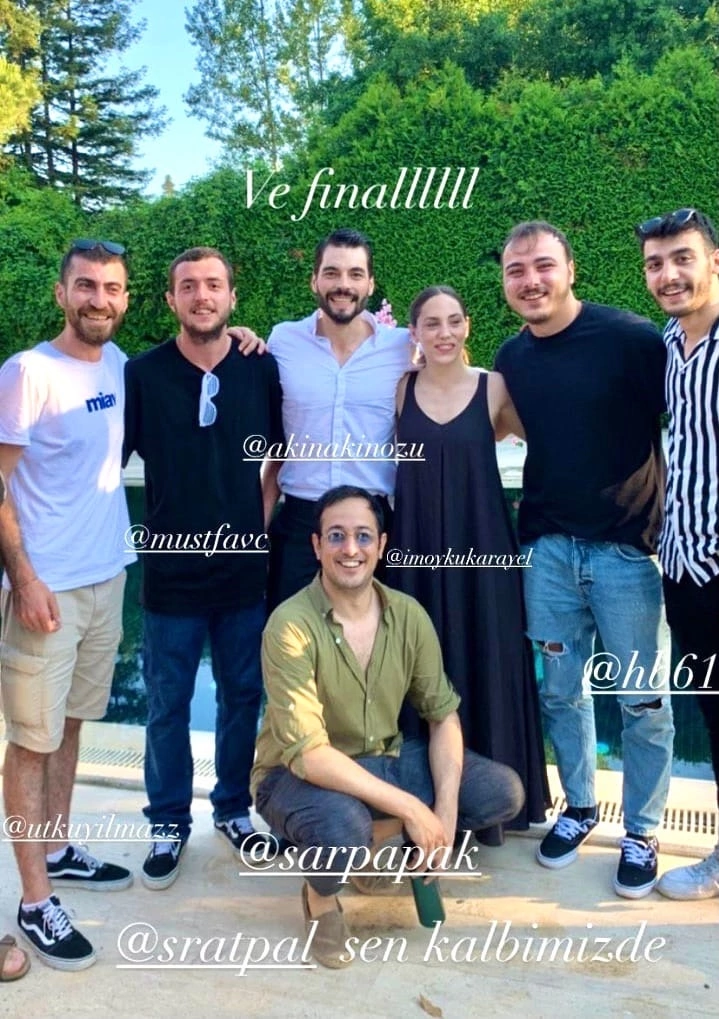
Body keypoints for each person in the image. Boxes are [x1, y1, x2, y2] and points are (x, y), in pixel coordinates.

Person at [252, 485, 525, 969]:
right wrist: (412, 809)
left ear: (381, 545)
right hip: (294, 776)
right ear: (316, 546)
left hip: (384, 759)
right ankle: (320, 897)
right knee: (341, 828)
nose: (350, 549)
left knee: (501, 792)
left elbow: (442, 715)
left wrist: (443, 810)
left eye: (363, 535)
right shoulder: (289, 625)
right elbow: (310, 755)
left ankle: (378, 841)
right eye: (336, 536)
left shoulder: (408, 615)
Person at [494, 220, 675, 898]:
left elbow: (689, 417)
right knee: (561, 692)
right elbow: (502, 424)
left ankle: (643, 829)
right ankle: (578, 806)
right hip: (547, 553)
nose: (531, 280)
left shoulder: (631, 339)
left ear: (570, 269)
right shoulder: (511, 358)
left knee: (643, 700)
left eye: (543, 265)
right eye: (517, 270)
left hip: (628, 552)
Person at [123, 246, 283, 890]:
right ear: (171, 300)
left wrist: (257, 527)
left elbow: (278, 457)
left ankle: (232, 810)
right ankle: (167, 822)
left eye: (213, 284)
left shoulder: (259, 367)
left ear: (231, 297)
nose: (201, 296)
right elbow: (104, 463)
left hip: (242, 574)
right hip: (170, 575)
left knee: (243, 696)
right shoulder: (142, 374)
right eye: (188, 286)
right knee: (168, 704)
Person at [0, 239, 134, 971]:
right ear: (62, 293)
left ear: (125, 298)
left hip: (107, 576)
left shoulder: (118, 366)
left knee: (73, 724)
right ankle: (33, 899)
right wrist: (22, 577)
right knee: (30, 741)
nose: (98, 299)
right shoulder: (28, 372)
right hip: (45, 589)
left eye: (111, 288)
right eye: (85, 285)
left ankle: (56, 846)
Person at [389, 285, 549, 837]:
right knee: (418, 666)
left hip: (482, 549)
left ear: (468, 326)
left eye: (454, 321)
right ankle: (418, 801)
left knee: (487, 656)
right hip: (414, 552)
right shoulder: (400, 389)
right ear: (414, 332)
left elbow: (545, 439)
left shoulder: (493, 386)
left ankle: (489, 805)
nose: (445, 333)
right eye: (432, 323)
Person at [636, 207, 719, 899]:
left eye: (682, 258)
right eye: (655, 264)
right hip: (686, 567)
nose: (668, 275)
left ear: (713, 262)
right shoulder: (668, 344)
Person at [263, 228, 412, 608]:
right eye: (331, 273)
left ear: (370, 284)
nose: (343, 284)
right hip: (300, 523)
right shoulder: (283, 341)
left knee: (376, 638)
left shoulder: (401, 348)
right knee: (288, 636)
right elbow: (275, 441)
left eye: (355, 274)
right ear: (314, 280)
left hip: (373, 523)